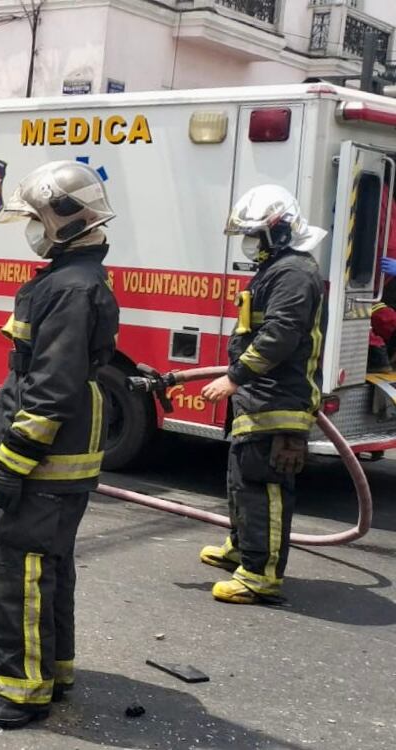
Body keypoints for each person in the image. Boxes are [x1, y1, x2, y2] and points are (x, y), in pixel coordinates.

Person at [0, 161, 120, 730]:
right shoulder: (79, 280)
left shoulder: (67, 287)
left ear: (64, 221)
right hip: (66, 454)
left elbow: (49, 387)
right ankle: (54, 669)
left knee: (19, 570)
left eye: (36, 219)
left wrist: (11, 463)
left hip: (47, 457)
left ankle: (23, 690)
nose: (32, 230)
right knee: (51, 566)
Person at [200, 185, 327, 605]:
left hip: (278, 400)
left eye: (255, 233)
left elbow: (280, 335)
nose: (250, 242)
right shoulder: (279, 268)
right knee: (242, 479)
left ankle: (261, 574)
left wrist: (234, 377)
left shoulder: (293, 272)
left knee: (265, 487)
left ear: (281, 230)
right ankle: (242, 547)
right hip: (260, 397)